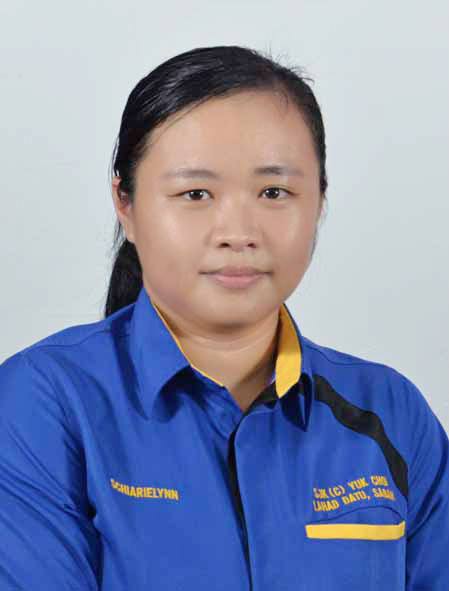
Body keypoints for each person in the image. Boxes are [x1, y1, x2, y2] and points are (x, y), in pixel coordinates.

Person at [0, 45, 448, 591]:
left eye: (274, 191)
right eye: (195, 193)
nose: (238, 232)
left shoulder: (390, 412)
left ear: (320, 200)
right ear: (126, 204)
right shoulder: (45, 403)